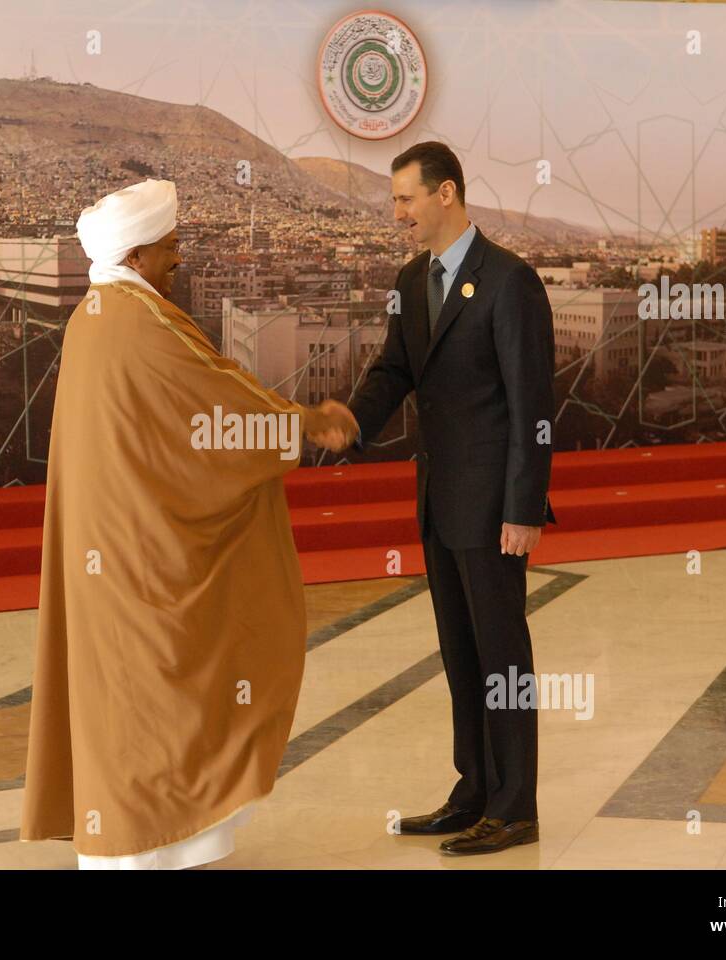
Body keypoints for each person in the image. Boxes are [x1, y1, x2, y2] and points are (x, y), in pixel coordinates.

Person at [19, 178, 356, 869]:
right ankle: (145, 840)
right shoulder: (140, 326)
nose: (180, 259)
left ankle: (130, 839)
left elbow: (200, 402)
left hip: (113, 547)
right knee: (153, 697)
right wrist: (307, 426)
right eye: (171, 247)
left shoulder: (100, 314)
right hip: (140, 555)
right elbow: (212, 409)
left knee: (126, 695)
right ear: (138, 254)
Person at [316, 142, 556, 855]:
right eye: (394, 202)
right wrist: (354, 421)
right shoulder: (412, 279)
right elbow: (394, 369)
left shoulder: (510, 282)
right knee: (461, 652)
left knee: (502, 655)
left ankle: (515, 807)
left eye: (405, 200)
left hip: (491, 509)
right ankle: (474, 791)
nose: (398, 215)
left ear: (445, 194)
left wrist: (523, 506)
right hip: (438, 500)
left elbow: (531, 403)